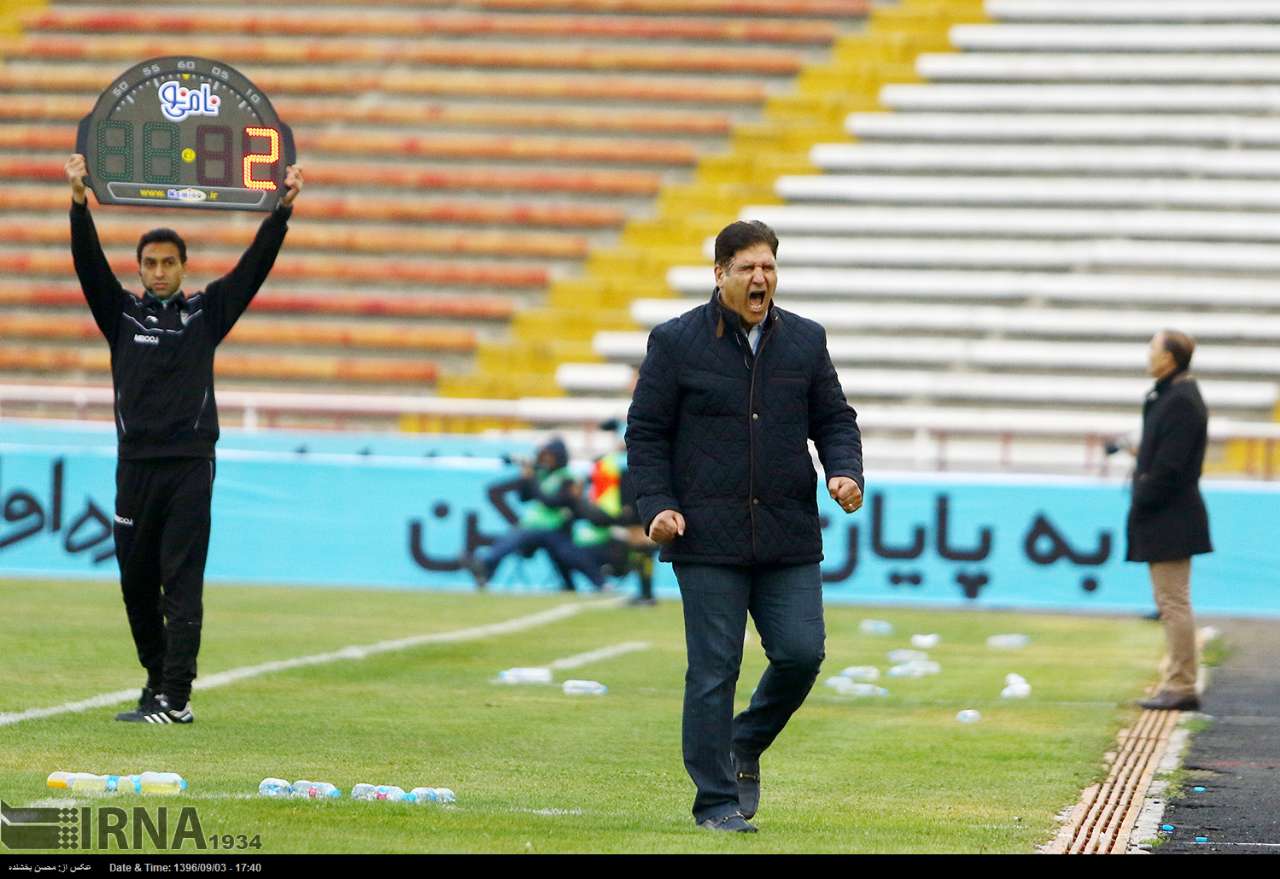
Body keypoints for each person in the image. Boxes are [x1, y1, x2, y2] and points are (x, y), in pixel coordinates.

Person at [626, 220, 864, 832]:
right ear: (720, 274)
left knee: (801, 653)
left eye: (770, 268)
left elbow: (835, 418)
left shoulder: (806, 341)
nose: (761, 279)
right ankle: (716, 804)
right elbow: (647, 434)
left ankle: (744, 741)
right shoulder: (675, 342)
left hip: (787, 532)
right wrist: (655, 504)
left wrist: (843, 470)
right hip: (705, 536)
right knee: (714, 669)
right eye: (748, 268)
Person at [65, 152, 303, 725]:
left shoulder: (206, 314)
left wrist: (280, 213)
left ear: (184, 267)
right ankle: (155, 685)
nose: (160, 272)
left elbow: (253, 270)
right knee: (135, 584)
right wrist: (78, 203)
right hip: (134, 467)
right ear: (140, 268)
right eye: (150, 263)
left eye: (170, 263)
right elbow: (88, 265)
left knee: (182, 581)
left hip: (191, 465)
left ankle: (177, 696)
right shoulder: (120, 315)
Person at [1126, 330, 1212, 712]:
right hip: (1167, 513)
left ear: (1170, 358)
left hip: (1171, 515)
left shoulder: (1180, 400)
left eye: (1152, 349)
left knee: (1173, 602)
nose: (1147, 355)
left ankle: (1181, 685)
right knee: (1170, 601)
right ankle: (1177, 680)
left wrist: (1143, 493)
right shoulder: (1170, 395)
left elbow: (1170, 465)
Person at [469, 437, 607, 591]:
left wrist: (532, 479)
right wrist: (525, 479)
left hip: (557, 528)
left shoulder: (568, 477)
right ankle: (484, 569)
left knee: (569, 555)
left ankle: (599, 582)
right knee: (509, 539)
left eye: (549, 456)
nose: (546, 460)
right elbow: (524, 498)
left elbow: (551, 501)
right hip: (536, 527)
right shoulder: (543, 475)